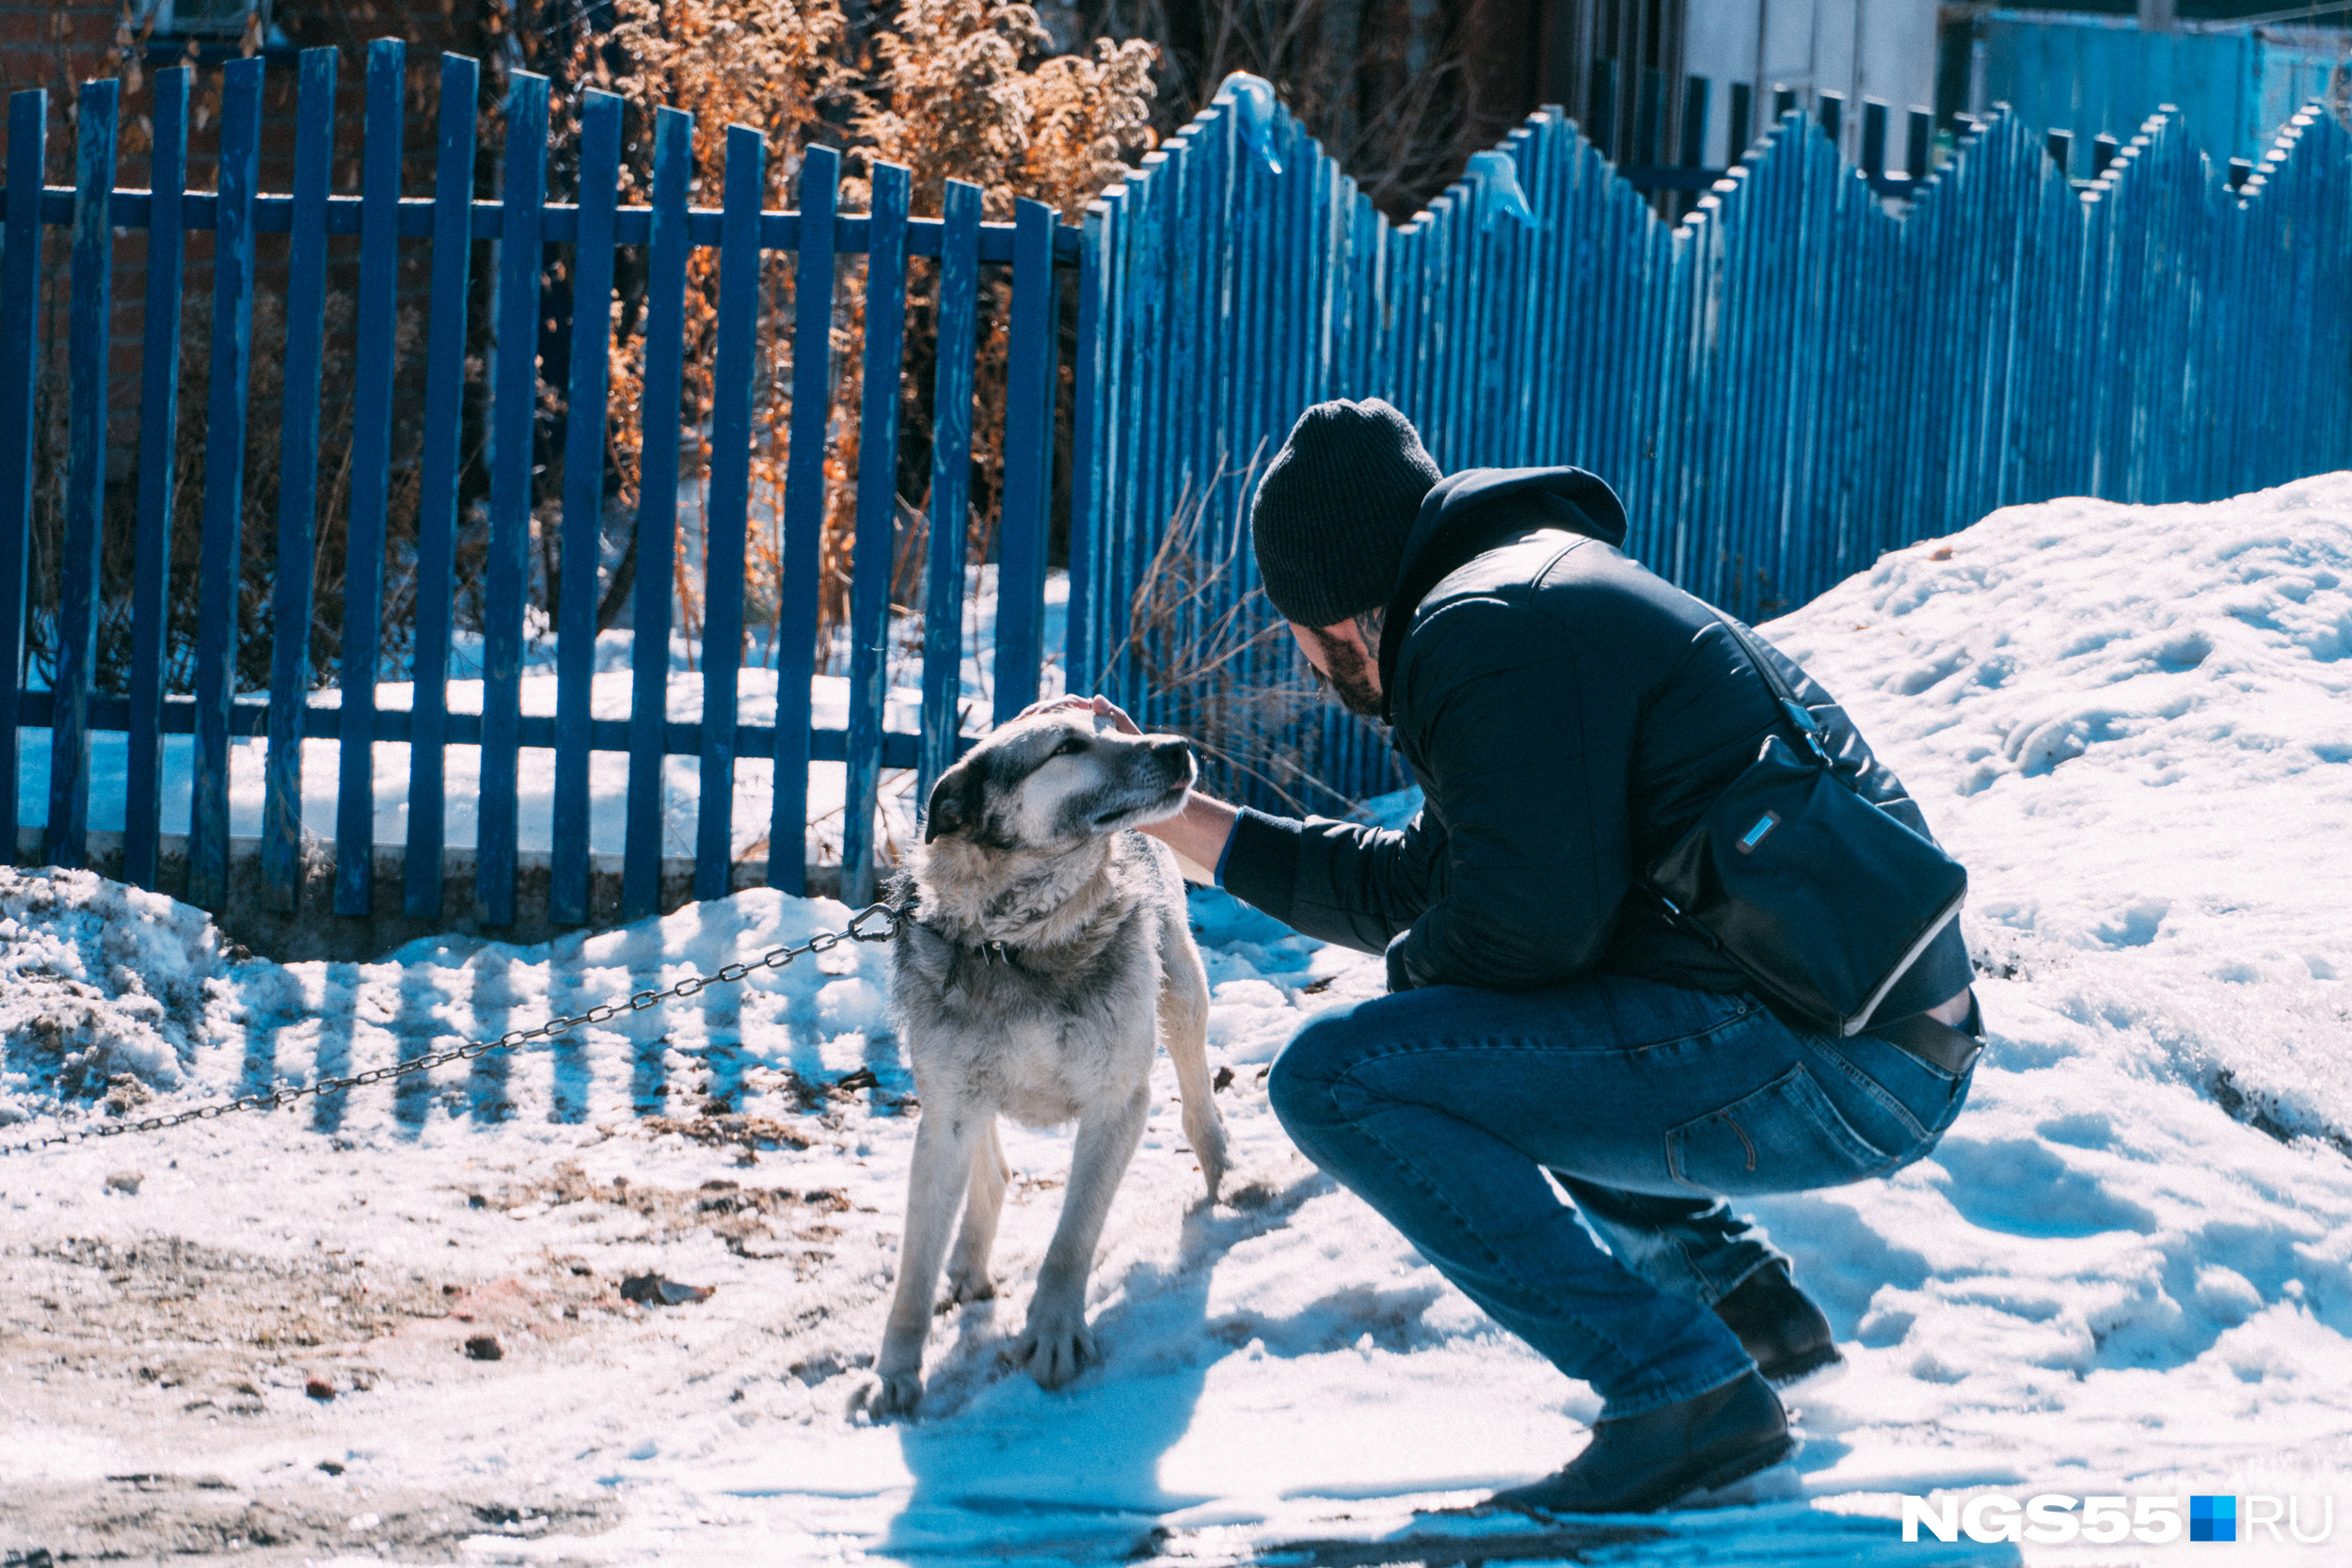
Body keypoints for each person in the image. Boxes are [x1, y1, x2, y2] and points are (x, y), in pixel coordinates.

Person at [1048, 398, 1979, 1515]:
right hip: (1863, 1030)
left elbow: (1520, 935)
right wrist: (1166, 811)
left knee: (1339, 1076)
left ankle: (1679, 1391)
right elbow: (1424, 889)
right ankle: (1748, 1319)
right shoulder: (1518, 601)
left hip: (1838, 1059)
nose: (1306, 665)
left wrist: (1407, 1008)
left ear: (1334, 612)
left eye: (1295, 631)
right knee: (1483, 1033)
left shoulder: (1480, 632)